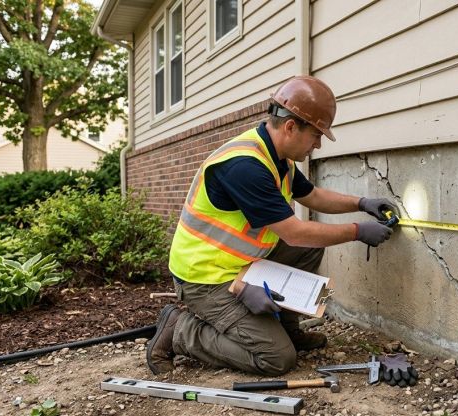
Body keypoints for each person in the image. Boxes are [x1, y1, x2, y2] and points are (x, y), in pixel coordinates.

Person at [146, 76, 397, 376]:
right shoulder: (245, 166)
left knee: (308, 251)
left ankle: (289, 330)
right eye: (316, 134)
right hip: (204, 277)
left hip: (238, 264)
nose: (318, 144)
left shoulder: (279, 159)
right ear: (291, 126)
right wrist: (357, 232)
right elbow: (294, 232)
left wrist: (361, 202)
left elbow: (313, 196)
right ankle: (179, 330)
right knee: (276, 358)